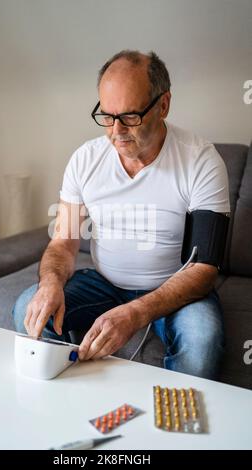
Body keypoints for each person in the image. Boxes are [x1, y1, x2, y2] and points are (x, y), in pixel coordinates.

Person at [13, 50, 230, 379]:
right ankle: (73, 407)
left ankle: (172, 424)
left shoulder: (201, 160)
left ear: (163, 105)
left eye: (129, 116)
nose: (116, 131)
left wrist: (136, 313)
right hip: (104, 284)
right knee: (29, 309)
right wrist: (51, 283)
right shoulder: (86, 159)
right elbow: (63, 243)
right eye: (107, 115)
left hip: (174, 289)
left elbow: (204, 268)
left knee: (203, 341)